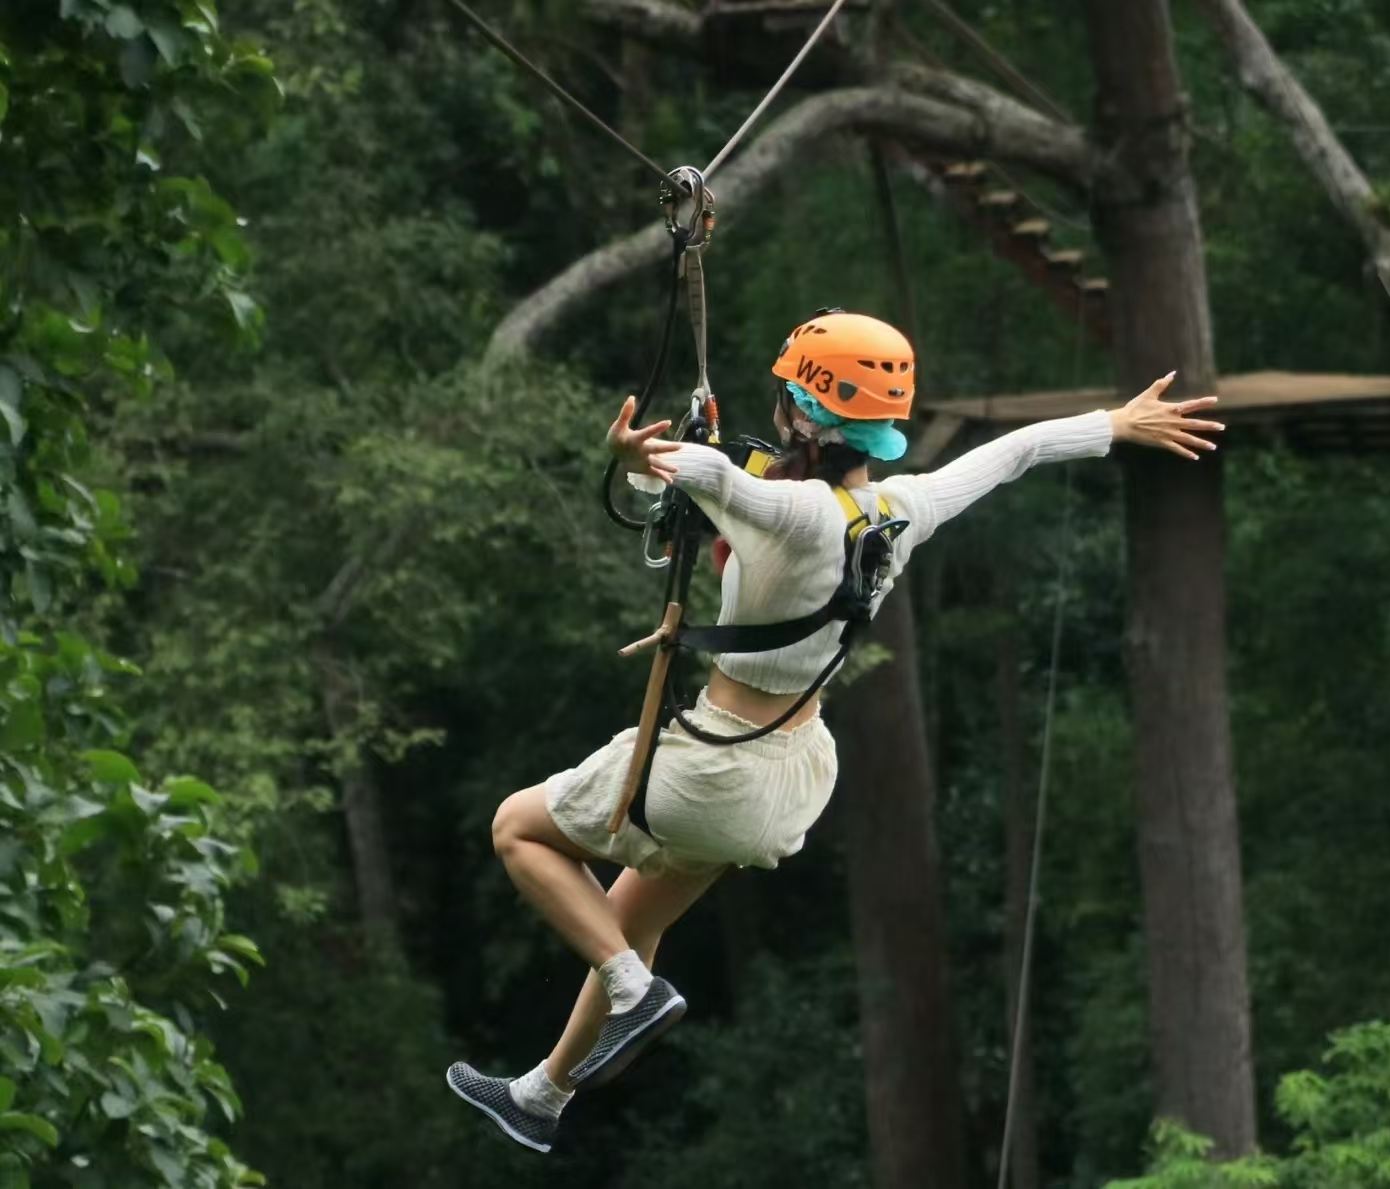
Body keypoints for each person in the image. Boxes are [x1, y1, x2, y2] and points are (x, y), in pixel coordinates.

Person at [446, 311, 1223, 1152]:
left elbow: (694, 476)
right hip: (790, 778)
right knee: (627, 915)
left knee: (517, 830)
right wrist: (1116, 423)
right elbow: (1015, 453)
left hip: (712, 766)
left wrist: (641, 460)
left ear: (803, 415)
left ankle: (634, 989)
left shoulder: (781, 510)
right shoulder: (903, 507)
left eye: (787, 396)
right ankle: (542, 1093)